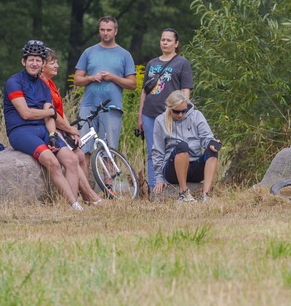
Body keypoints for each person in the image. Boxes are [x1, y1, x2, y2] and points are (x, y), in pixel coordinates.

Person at [4, 40, 84, 210]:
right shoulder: (14, 82)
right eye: (31, 59)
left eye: (38, 60)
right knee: (53, 163)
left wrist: (54, 135)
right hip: (20, 131)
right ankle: (75, 205)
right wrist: (49, 113)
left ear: (42, 63)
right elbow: (25, 113)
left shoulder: (44, 86)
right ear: (23, 61)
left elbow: (50, 117)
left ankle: (70, 204)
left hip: (43, 129)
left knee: (72, 159)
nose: (34, 63)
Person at [73, 16, 137, 182]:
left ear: (115, 31)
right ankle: (83, 187)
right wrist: (91, 78)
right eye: (102, 30)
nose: (105, 33)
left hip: (112, 106)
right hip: (88, 105)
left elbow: (132, 84)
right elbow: (77, 79)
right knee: (84, 148)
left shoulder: (124, 55)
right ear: (99, 30)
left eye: (109, 30)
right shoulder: (89, 52)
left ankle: (109, 187)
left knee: (109, 148)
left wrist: (113, 77)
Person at [41, 48, 103, 204]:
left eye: (57, 62)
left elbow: (60, 112)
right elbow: (51, 115)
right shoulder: (42, 85)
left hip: (61, 127)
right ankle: (83, 197)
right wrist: (69, 129)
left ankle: (86, 196)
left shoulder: (51, 83)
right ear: (43, 66)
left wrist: (71, 131)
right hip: (49, 128)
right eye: (52, 62)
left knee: (81, 155)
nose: (57, 66)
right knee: (73, 158)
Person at [137, 28, 194, 189]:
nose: (165, 43)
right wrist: (140, 115)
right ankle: (154, 185)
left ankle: (170, 184)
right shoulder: (152, 63)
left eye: (169, 40)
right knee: (152, 151)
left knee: (171, 149)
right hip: (149, 113)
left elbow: (185, 90)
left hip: (171, 114)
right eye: (163, 39)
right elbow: (144, 91)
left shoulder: (182, 63)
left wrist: (183, 112)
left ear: (176, 43)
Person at [152, 90, 220, 202]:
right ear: (169, 108)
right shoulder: (160, 121)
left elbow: (206, 138)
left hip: (195, 166)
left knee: (213, 150)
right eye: (176, 112)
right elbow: (157, 151)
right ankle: (183, 193)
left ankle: (206, 195)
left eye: (183, 111)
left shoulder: (197, 116)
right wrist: (159, 178)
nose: (180, 115)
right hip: (173, 169)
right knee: (182, 146)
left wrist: (212, 143)